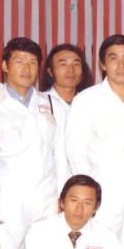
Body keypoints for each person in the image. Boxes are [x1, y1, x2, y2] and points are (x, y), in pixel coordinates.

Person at [66, 35, 124, 235]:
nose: (121, 65)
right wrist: (90, 192)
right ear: (103, 64)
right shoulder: (86, 100)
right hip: (103, 190)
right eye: (113, 58)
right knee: (100, 247)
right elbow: (75, 150)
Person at [0, 37, 58, 245]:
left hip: (46, 198)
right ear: (5, 65)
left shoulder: (50, 103)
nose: (27, 68)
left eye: (33, 62)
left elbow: (59, 154)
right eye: (19, 61)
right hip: (7, 199)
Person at [41, 44, 94, 190]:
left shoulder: (91, 103)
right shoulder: (40, 103)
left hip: (87, 183)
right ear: (50, 71)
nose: (71, 70)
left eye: (76, 64)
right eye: (63, 64)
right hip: (49, 187)